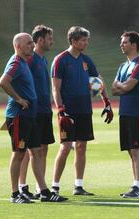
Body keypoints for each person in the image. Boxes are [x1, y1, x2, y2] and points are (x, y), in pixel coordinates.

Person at [0, 32, 67, 203]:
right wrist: (19, 99)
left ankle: (44, 191)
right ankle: (15, 194)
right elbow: (3, 82)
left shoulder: (24, 62)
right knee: (19, 153)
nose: (32, 45)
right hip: (19, 116)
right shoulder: (15, 62)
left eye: (31, 42)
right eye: (28, 43)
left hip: (30, 116)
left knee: (36, 152)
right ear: (18, 46)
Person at [51, 26, 113, 196]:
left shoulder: (87, 60)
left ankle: (78, 186)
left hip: (85, 109)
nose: (86, 43)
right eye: (83, 40)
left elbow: (99, 81)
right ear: (73, 41)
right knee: (65, 147)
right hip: (68, 111)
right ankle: (54, 186)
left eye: (87, 40)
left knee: (81, 147)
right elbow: (55, 88)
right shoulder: (60, 60)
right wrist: (61, 109)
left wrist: (106, 101)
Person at [17, 25, 55, 199]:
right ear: (40, 40)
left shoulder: (43, 60)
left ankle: (42, 188)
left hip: (45, 110)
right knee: (29, 150)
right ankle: (23, 186)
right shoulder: (30, 60)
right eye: (49, 39)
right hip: (34, 111)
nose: (51, 42)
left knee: (43, 149)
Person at [112, 31, 139, 198]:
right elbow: (114, 89)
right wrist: (123, 85)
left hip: (136, 113)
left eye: (125, 42)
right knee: (130, 150)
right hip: (125, 112)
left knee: (136, 149)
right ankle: (135, 185)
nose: (122, 45)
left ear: (134, 45)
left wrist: (123, 86)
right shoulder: (123, 66)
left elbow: (126, 87)